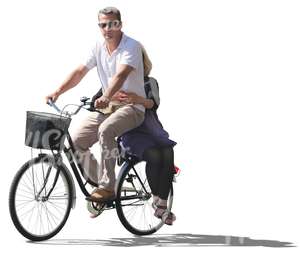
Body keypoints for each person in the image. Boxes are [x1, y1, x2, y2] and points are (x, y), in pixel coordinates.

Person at [45, 7, 146, 202]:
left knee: (106, 130)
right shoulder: (98, 47)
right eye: (103, 25)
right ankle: (99, 183)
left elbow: (121, 75)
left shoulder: (131, 46)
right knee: (76, 142)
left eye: (112, 24)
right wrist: (58, 91)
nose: (107, 28)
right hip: (109, 108)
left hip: (132, 108)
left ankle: (107, 188)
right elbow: (80, 72)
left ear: (120, 24)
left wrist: (106, 96)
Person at [114, 77, 177, 225]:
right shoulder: (118, 79)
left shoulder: (150, 81)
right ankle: (156, 200)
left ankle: (162, 204)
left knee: (168, 152)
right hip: (131, 131)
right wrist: (99, 100)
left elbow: (154, 104)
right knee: (154, 155)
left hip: (151, 129)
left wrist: (138, 99)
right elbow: (101, 95)